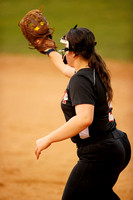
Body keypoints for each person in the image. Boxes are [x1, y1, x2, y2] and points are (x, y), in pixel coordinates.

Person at [35, 26, 131, 200]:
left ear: (75, 53)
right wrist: (48, 50)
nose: (63, 52)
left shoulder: (81, 80)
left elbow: (84, 119)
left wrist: (48, 138)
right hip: (116, 144)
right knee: (100, 194)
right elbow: (65, 69)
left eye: (66, 49)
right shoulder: (93, 72)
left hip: (99, 154)